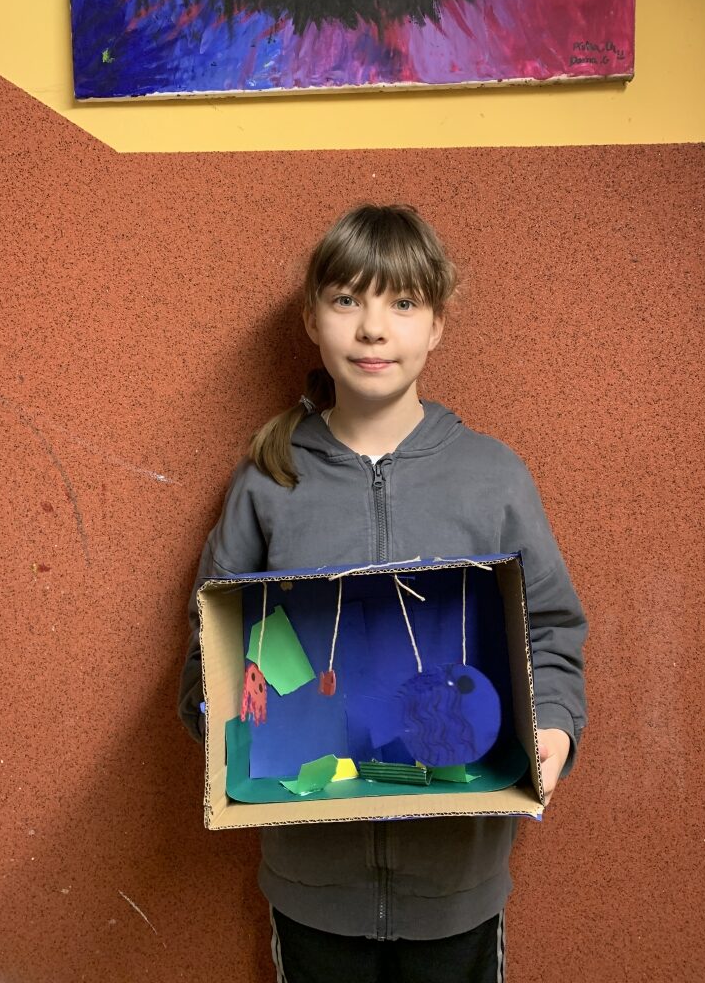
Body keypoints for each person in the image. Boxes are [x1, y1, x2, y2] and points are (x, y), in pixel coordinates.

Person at [179, 203, 587, 983]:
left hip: (457, 882)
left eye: (402, 303)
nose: (373, 329)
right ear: (312, 319)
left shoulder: (492, 477)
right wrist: (226, 724)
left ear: (437, 326)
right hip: (312, 882)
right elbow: (211, 640)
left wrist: (556, 727)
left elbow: (550, 629)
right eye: (346, 300)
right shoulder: (270, 480)